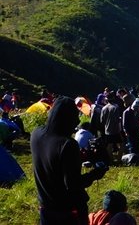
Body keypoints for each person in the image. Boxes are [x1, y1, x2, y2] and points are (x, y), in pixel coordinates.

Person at [32, 96, 109, 225]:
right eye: (75, 117)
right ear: (66, 119)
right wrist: (95, 174)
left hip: (45, 206)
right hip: (67, 211)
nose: (77, 121)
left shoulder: (36, 134)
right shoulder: (67, 145)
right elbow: (73, 185)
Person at [100, 94, 124, 162]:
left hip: (107, 130)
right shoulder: (115, 107)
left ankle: (111, 160)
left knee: (109, 146)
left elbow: (102, 121)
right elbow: (118, 120)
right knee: (121, 145)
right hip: (116, 130)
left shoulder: (104, 108)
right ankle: (119, 160)